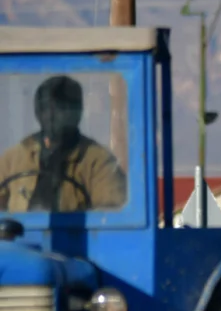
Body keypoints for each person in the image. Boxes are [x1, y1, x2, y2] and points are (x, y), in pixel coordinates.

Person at [0, 75, 127, 212]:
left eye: (60, 108)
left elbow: (110, 217)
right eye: (45, 108)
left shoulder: (98, 162)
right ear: (37, 111)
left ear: (77, 112)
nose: (51, 116)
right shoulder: (14, 159)